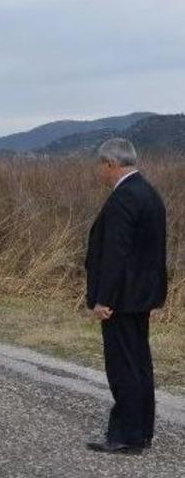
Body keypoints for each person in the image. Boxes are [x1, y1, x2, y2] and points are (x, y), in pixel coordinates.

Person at [84, 138, 167, 455]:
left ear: (110, 164)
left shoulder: (123, 199)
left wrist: (104, 298)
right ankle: (142, 431)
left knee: (123, 367)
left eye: (100, 166)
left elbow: (116, 254)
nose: (99, 172)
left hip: (121, 299)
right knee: (140, 364)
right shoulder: (148, 193)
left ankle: (126, 436)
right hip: (141, 296)